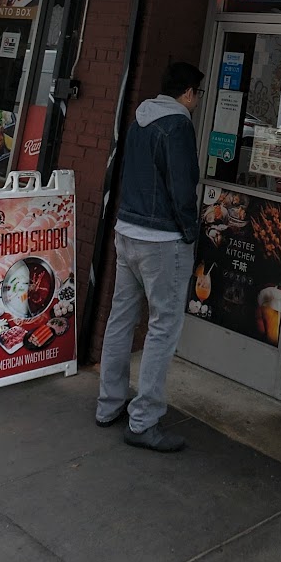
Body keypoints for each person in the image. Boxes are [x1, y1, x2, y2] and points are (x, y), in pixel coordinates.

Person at [96, 59, 203, 451]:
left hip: (126, 232)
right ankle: (143, 421)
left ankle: (109, 405)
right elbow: (182, 186)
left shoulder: (139, 120)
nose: (197, 101)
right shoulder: (177, 125)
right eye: (198, 94)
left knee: (121, 318)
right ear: (188, 92)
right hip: (162, 241)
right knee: (163, 327)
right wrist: (191, 232)